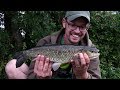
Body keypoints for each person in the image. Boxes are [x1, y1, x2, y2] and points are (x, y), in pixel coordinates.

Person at [5, 11, 101, 79]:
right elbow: (31, 75)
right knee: (12, 66)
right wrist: (40, 77)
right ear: (64, 23)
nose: (77, 31)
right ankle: (24, 54)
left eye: (82, 27)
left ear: (87, 28)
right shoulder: (46, 42)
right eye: (73, 25)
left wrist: (83, 75)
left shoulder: (90, 47)